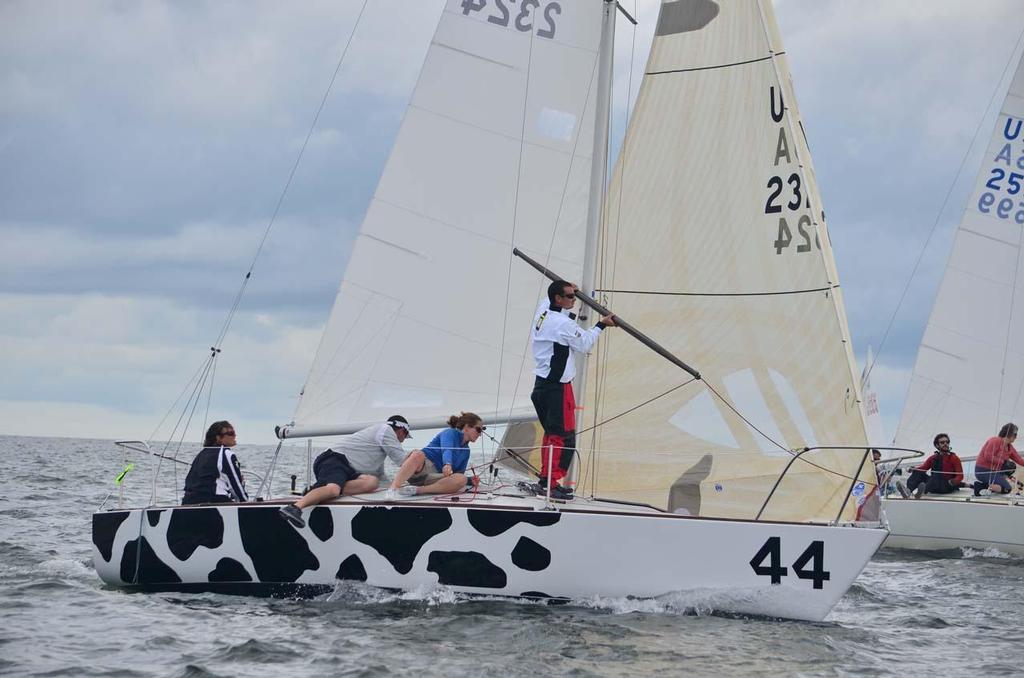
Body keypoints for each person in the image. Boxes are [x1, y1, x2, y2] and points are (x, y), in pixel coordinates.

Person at [530, 280, 616, 500]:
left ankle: (545, 480)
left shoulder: (543, 311)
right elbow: (585, 344)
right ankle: (550, 484)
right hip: (557, 388)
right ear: (558, 299)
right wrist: (602, 324)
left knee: (552, 435)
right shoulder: (562, 323)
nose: (574, 299)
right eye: (570, 296)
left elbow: (546, 298)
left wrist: (569, 286)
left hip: (541, 386)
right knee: (563, 437)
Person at [279, 415, 412, 528]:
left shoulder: (379, 447)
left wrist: (399, 488)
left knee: (372, 482)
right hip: (335, 459)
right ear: (401, 430)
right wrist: (419, 464)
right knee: (333, 490)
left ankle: (316, 490)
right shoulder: (386, 430)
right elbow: (402, 461)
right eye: (405, 435)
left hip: (348, 470)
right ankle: (294, 508)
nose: (404, 439)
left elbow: (380, 477)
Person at [388, 412, 484, 497]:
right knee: (418, 454)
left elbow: (457, 474)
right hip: (419, 469)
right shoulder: (450, 432)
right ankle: (393, 489)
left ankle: (417, 490)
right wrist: (447, 463)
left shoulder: (466, 451)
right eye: (478, 430)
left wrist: (470, 480)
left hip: (434, 478)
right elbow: (447, 449)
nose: (480, 434)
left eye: (482, 430)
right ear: (467, 427)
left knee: (461, 479)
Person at [182, 421, 248, 504]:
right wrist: (245, 502)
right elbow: (236, 486)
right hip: (213, 502)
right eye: (231, 433)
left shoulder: (201, 454)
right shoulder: (226, 454)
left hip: (188, 501)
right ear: (218, 438)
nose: (235, 435)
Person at [898, 434, 963, 499]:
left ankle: (923, 490)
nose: (945, 444)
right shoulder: (933, 458)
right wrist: (913, 469)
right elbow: (923, 468)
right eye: (942, 442)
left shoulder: (954, 458)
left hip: (946, 486)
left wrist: (952, 482)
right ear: (937, 445)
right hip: (934, 484)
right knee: (918, 472)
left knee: (936, 475)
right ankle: (908, 491)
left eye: (947, 442)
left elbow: (960, 476)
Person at [973, 423, 1024, 496]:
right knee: (1007, 488)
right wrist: (1003, 462)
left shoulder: (1009, 447)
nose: (1016, 437)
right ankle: (979, 486)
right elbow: (987, 455)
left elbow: (1019, 459)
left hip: (996, 472)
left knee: (1005, 487)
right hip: (983, 470)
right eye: (1015, 435)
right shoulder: (995, 441)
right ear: (1009, 434)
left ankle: (983, 487)